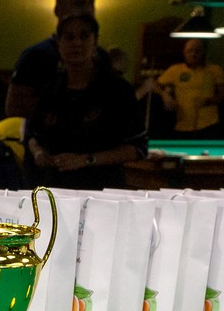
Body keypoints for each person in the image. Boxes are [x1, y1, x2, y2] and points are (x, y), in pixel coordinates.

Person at [23, 13, 147, 190]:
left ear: (94, 42)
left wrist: (86, 160)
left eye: (84, 36)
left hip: (102, 191)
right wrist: (39, 153)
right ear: (59, 44)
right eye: (69, 37)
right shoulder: (50, 90)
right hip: (55, 190)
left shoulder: (117, 89)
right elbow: (33, 137)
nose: (77, 43)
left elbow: (137, 148)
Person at [6, 0, 95, 120]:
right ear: (58, 10)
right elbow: (14, 109)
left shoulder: (100, 56)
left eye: (91, 3)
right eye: (79, 3)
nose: (87, 9)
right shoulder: (36, 56)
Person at [155, 39, 224, 137]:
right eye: (190, 51)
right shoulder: (175, 70)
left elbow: (223, 95)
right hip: (182, 123)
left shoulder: (215, 70)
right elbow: (153, 85)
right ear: (184, 52)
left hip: (209, 123)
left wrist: (208, 100)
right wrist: (165, 95)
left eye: (197, 51)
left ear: (203, 52)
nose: (193, 54)